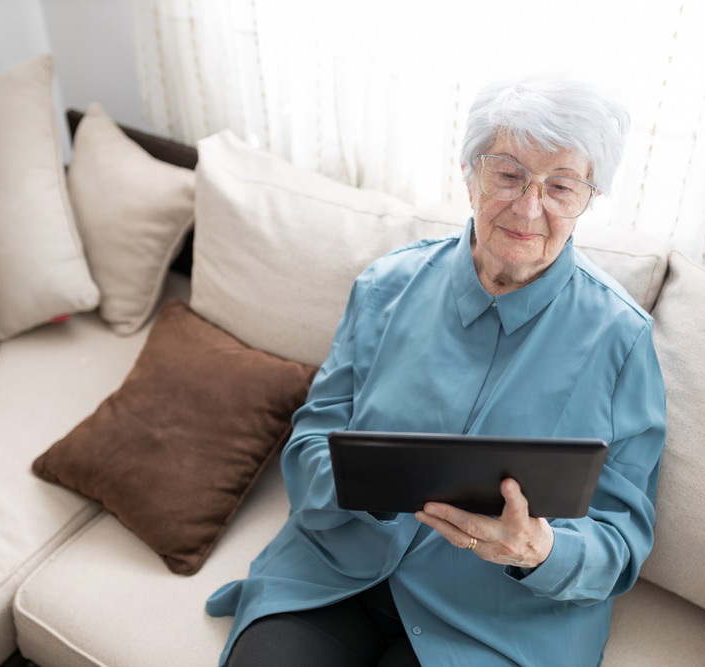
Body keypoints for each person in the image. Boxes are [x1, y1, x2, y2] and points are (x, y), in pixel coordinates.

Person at [207, 76, 667, 667]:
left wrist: (539, 549)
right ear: (468, 171)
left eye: (560, 186)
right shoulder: (385, 287)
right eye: (507, 175)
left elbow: (622, 541)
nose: (530, 208)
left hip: (497, 623)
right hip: (335, 578)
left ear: (589, 198)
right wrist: (362, 487)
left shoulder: (621, 341)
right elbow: (308, 446)